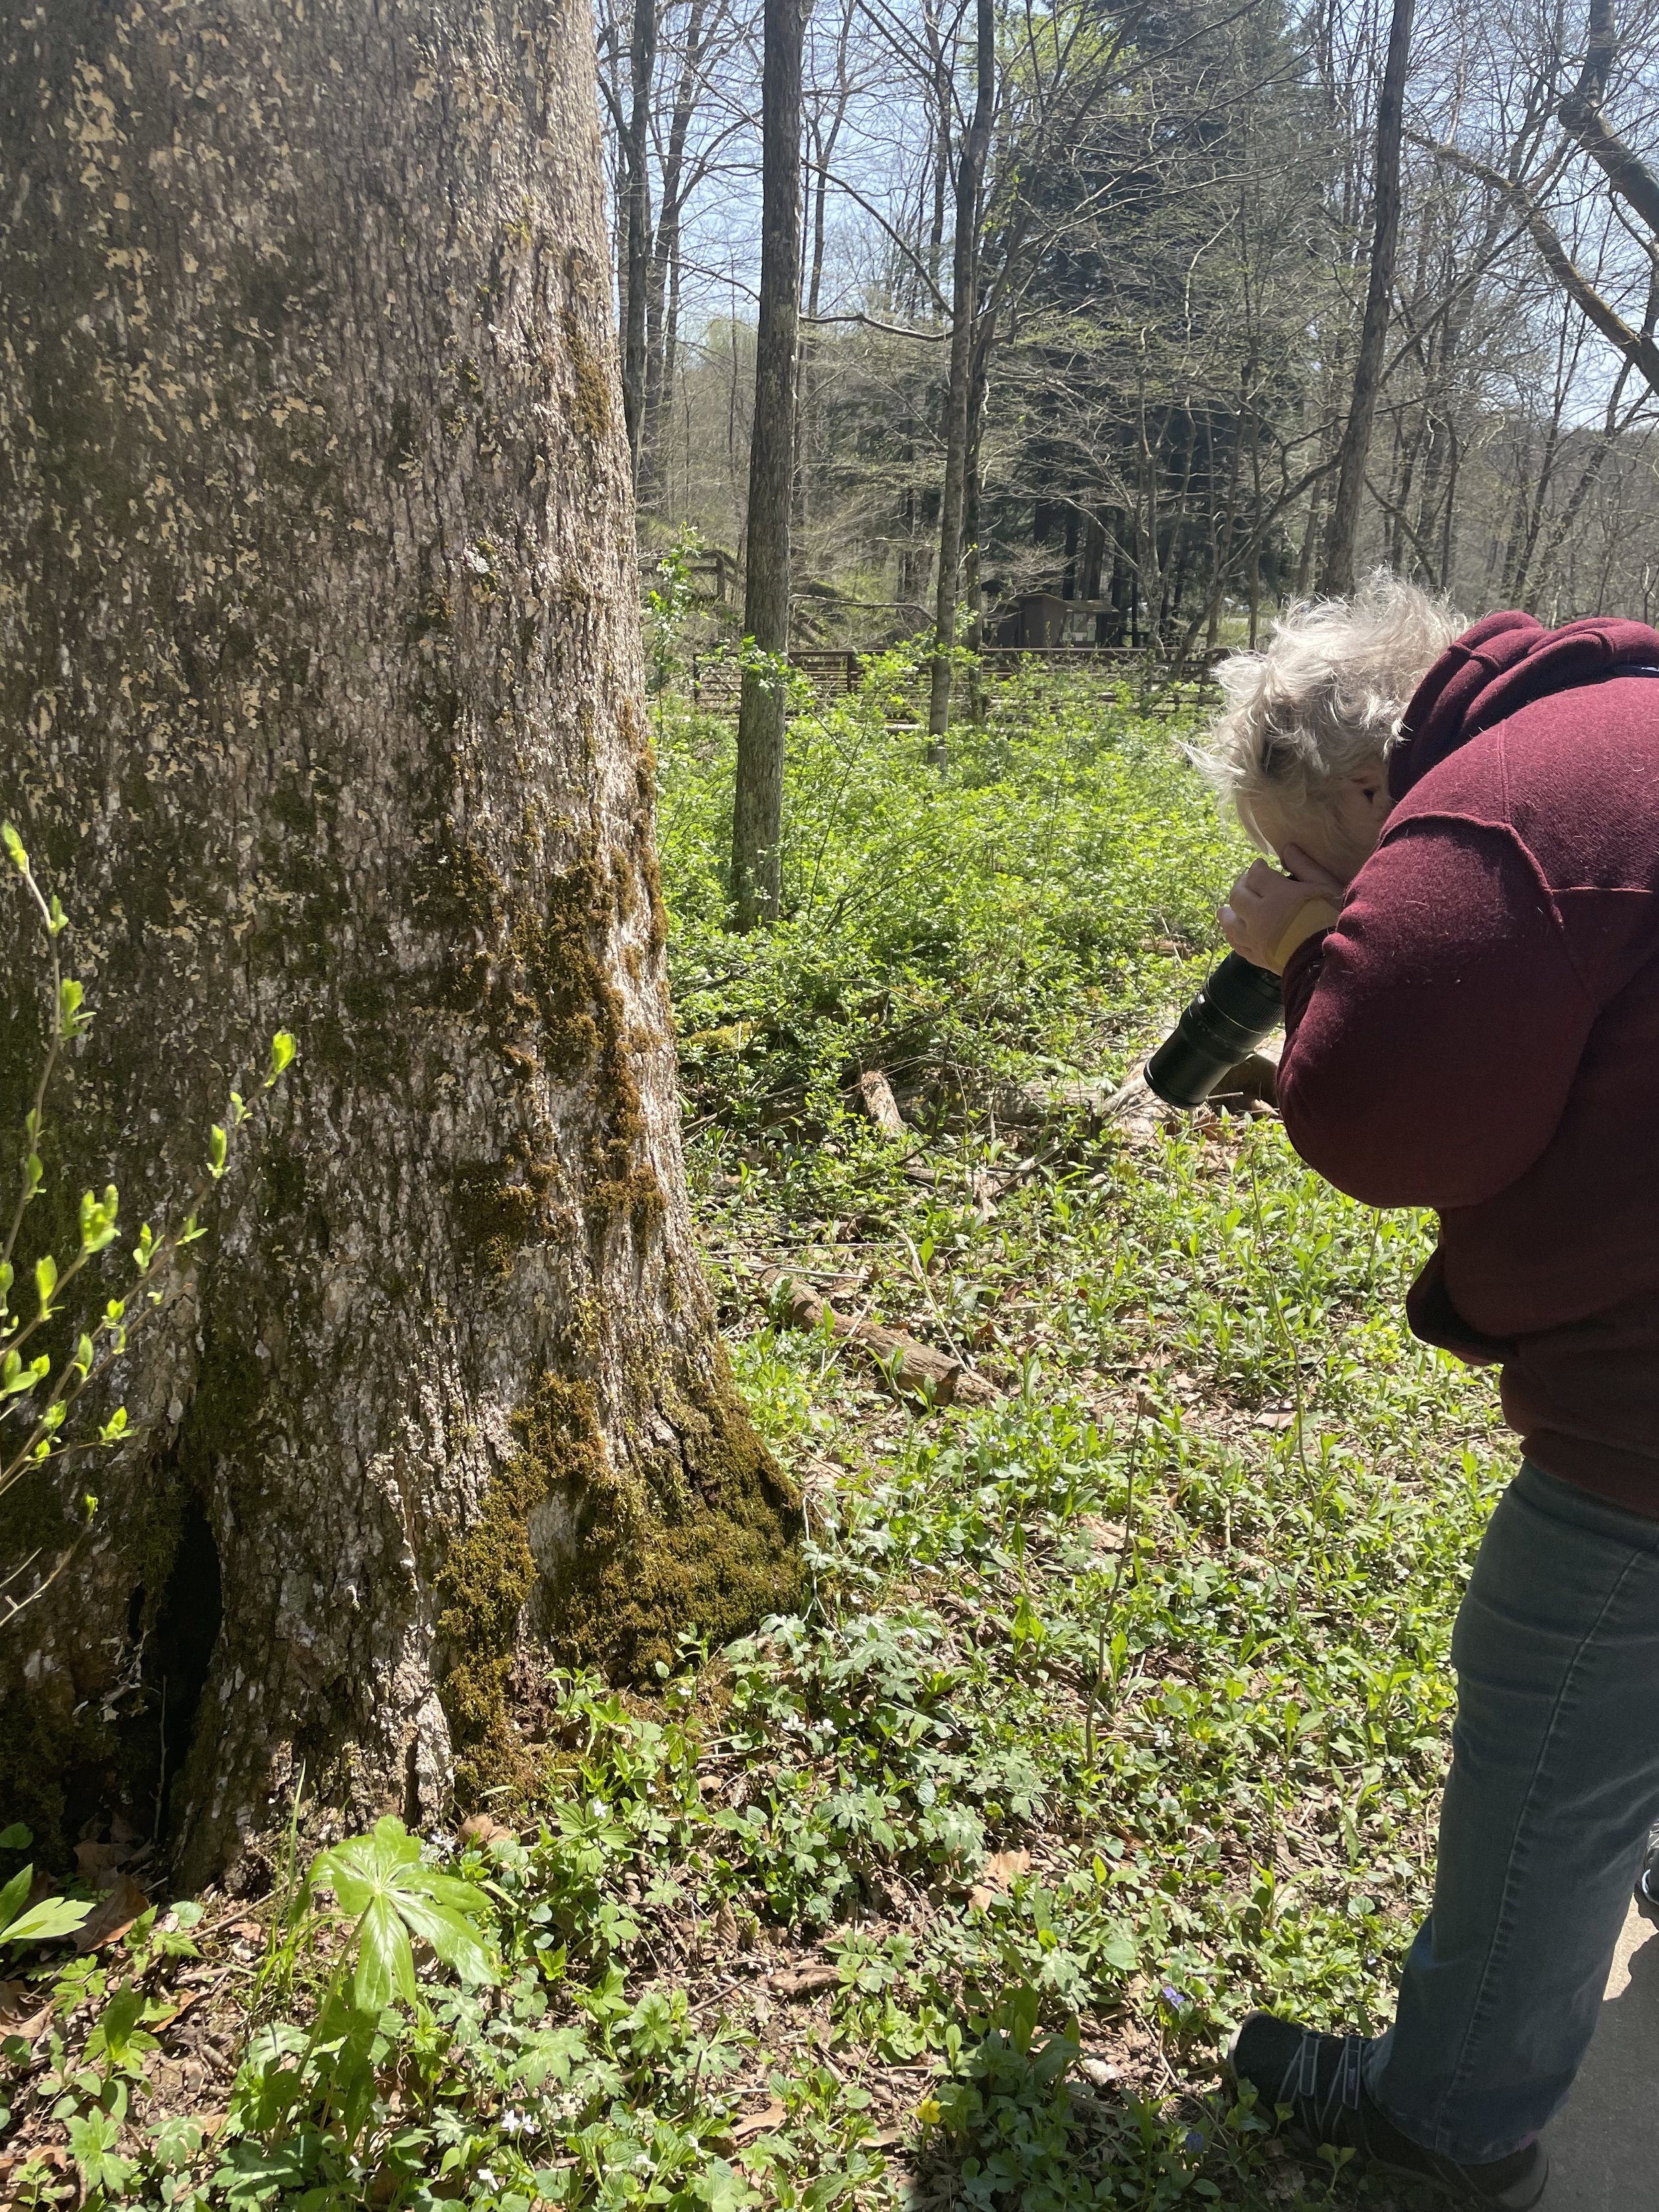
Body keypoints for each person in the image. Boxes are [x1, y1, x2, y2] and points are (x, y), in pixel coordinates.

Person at [1198, 573, 1659, 2210]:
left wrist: (1308, 952)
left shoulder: (1500, 807)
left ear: (1349, 779)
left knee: (1555, 1714)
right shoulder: (1619, 730)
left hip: (1643, 1425)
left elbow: (1391, 1117)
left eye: (1309, 854)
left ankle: (1443, 2124)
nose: (1313, 881)